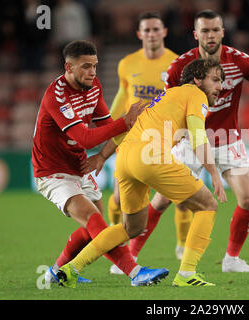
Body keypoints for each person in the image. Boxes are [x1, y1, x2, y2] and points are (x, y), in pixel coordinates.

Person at [57, 58, 227, 288]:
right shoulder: (195, 95)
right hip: (152, 156)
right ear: (197, 80)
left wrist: (103, 156)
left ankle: (71, 268)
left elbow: (131, 126)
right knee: (207, 205)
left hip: (126, 157)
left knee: (132, 227)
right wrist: (214, 173)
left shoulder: (167, 95)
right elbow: (198, 135)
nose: (220, 87)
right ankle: (187, 274)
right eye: (215, 80)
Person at [128, 9, 249, 273]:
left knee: (248, 198)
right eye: (205, 30)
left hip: (228, 138)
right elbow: (167, 106)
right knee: (162, 200)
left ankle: (231, 260)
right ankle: (130, 256)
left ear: (222, 32)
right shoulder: (180, 67)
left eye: (215, 30)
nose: (210, 35)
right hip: (189, 140)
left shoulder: (240, 61)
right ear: (196, 34)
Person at [33, 39, 168, 287]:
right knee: (96, 223)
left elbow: (107, 126)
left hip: (80, 166)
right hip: (52, 172)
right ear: (68, 67)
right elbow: (84, 137)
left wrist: (105, 154)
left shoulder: (93, 86)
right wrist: (125, 122)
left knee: (92, 230)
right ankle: (135, 273)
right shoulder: (56, 96)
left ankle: (56, 272)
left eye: (94, 66)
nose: (92, 72)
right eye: (85, 66)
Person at [102, 12, 185, 275]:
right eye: (146, 30)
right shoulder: (127, 64)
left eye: (155, 29)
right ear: (139, 34)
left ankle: (183, 245)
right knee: (117, 198)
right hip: (132, 137)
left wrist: (182, 132)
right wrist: (108, 125)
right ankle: (117, 244)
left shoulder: (176, 63)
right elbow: (123, 95)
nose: (151, 34)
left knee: (178, 196)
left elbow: (181, 101)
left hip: (164, 137)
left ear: (164, 32)